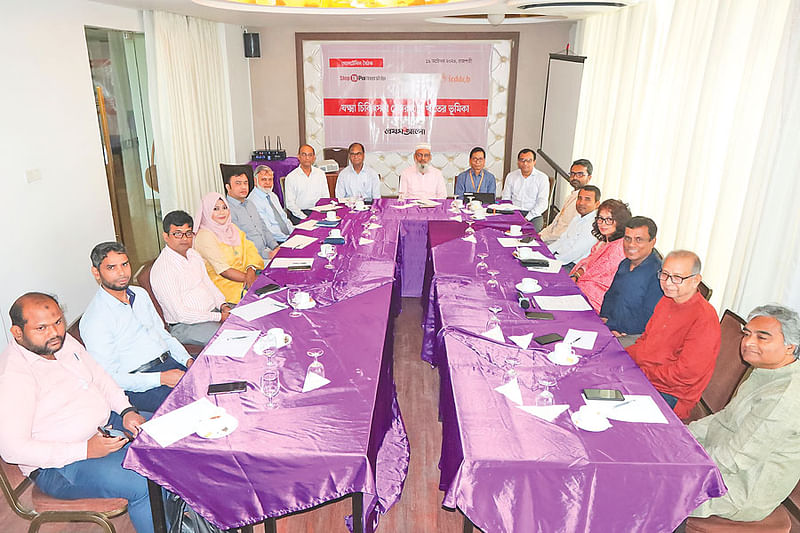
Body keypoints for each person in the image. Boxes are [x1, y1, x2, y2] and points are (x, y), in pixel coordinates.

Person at [0, 293, 154, 533]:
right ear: (17, 332)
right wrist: (85, 450)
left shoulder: (61, 342)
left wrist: (126, 410)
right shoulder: (13, 376)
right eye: (41, 327)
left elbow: (101, 378)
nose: (54, 332)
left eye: (58, 322)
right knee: (144, 481)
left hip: (107, 426)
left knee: (171, 438)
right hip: (61, 464)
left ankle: (179, 518)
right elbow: (11, 449)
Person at [688, 305, 800, 522]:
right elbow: (723, 419)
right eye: (747, 334)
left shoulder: (783, 396)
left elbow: (734, 460)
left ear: (789, 347)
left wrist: (678, 459)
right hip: (717, 462)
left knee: (644, 484)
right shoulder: (767, 371)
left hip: (738, 490)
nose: (748, 342)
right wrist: (681, 435)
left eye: (762, 337)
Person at [80, 242, 192, 412]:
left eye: (124, 264)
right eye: (112, 267)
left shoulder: (140, 294)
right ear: (96, 272)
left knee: (215, 385)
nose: (122, 273)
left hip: (169, 363)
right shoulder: (95, 319)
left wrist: (187, 360)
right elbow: (109, 377)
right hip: (140, 384)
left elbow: (164, 335)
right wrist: (161, 378)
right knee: (192, 409)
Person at [627, 250, 721, 419]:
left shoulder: (704, 318)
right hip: (645, 374)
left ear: (695, 281)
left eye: (677, 278)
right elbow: (645, 340)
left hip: (671, 394)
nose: (668, 283)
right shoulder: (667, 300)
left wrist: (641, 370)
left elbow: (684, 375)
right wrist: (621, 357)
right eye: (664, 275)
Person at [150, 210, 232, 346]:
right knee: (232, 337)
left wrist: (223, 305)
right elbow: (180, 314)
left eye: (188, 233)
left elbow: (208, 284)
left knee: (249, 321)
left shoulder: (193, 254)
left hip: (212, 313)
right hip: (185, 326)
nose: (184, 238)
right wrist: (218, 317)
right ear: (166, 236)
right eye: (177, 234)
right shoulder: (164, 269)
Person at [599, 217, 663, 348]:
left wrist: (612, 325)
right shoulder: (625, 263)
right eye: (627, 238)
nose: (631, 245)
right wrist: (604, 318)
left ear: (653, 241)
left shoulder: (658, 275)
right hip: (612, 327)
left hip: (635, 336)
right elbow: (611, 295)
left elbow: (648, 319)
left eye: (638, 239)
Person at [193, 192, 265, 304]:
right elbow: (224, 271)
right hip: (224, 284)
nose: (221, 212)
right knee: (262, 301)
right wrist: (250, 279)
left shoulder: (232, 228)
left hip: (246, 278)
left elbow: (249, 250)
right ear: (206, 212)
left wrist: (250, 271)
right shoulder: (204, 236)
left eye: (224, 207)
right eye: (215, 209)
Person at [570, 199, 631, 312]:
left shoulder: (618, 248)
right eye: (600, 219)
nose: (603, 223)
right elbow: (588, 264)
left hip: (596, 301)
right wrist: (577, 275)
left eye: (609, 220)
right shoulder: (603, 242)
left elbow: (600, 282)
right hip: (581, 288)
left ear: (620, 222)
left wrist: (576, 285)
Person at [224, 166, 279, 260]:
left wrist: (276, 247)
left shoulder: (249, 203)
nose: (243, 187)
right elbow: (240, 244)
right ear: (228, 187)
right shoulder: (227, 210)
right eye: (238, 183)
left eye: (245, 183)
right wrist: (267, 255)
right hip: (252, 260)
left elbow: (264, 228)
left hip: (268, 251)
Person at [539, 159, 593, 243]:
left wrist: (543, 238)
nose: (575, 177)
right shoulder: (570, 197)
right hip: (548, 239)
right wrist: (540, 235)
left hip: (558, 244)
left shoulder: (584, 204)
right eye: (573, 174)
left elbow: (569, 233)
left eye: (580, 174)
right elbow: (555, 223)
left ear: (589, 177)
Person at [548, 185, 601, 269]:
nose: (581, 202)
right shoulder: (577, 218)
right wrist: (546, 252)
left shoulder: (594, 224)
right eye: (579, 198)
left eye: (587, 199)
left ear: (597, 204)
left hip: (570, 265)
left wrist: (551, 261)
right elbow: (562, 239)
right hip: (559, 257)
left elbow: (575, 252)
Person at [501, 148, 550, 231]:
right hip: (514, 212)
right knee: (502, 232)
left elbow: (543, 203)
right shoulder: (511, 176)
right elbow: (506, 197)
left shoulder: (542, 178)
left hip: (533, 215)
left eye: (529, 160)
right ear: (518, 162)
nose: (525, 163)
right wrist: (510, 214)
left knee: (529, 236)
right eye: (522, 160)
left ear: (534, 162)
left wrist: (528, 217)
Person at [284, 144, 329, 223]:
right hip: (299, 214)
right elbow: (290, 204)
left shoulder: (320, 174)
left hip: (318, 212)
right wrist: (304, 217)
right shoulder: (291, 177)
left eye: (310, 155)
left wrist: (320, 214)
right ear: (298, 156)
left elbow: (325, 197)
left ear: (314, 158)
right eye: (304, 155)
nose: (307, 158)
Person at [250, 165, 294, 243]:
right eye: (263, 179)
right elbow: (268, 230)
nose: (268, 183)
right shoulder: (253, 201)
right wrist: (288, 238)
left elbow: (284, 218)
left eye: (270, 179)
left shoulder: (272, 195)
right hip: (274, 242)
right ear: (255, 181)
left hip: (287, 237)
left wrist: (293, 232)